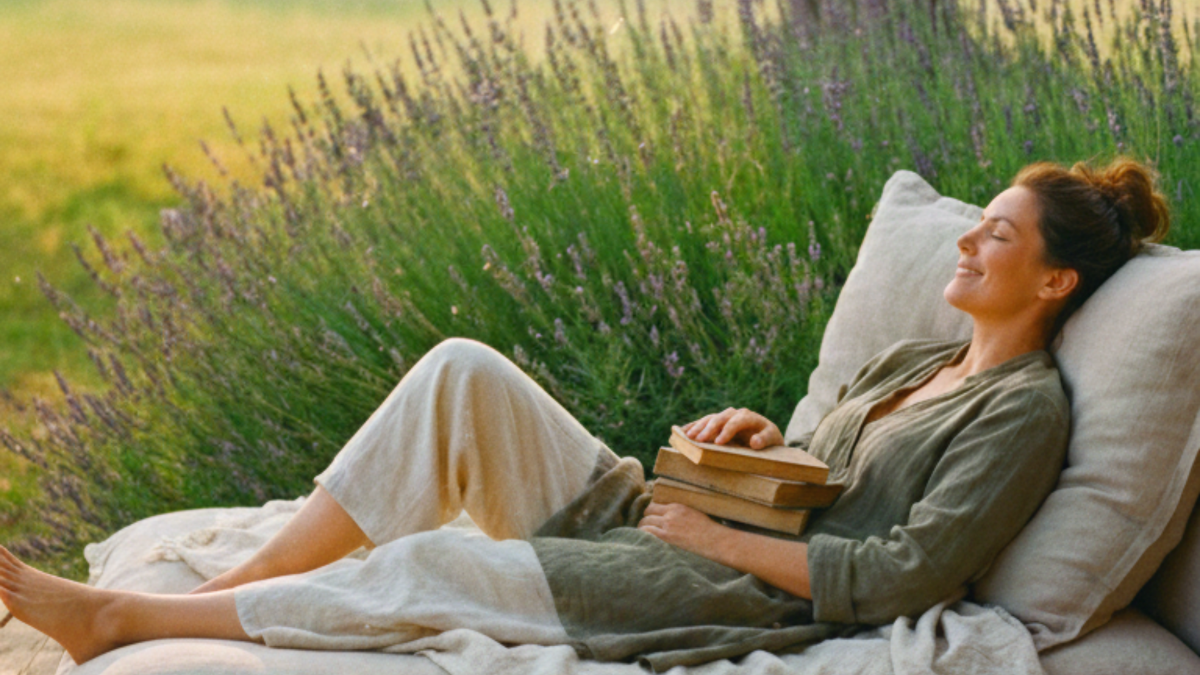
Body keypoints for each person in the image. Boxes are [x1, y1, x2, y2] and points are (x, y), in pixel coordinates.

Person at [0, 157, 1172, 667]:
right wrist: (763, 439)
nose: (968, 241)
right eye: (976, 227)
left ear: (1056, 281)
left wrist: (716, 539)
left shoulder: (1024, 416)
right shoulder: (922, 360)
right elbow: (831, 467)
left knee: (434, 572)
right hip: (674, 518)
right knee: (464, 368)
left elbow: (908, 570)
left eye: (997, 236)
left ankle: (119, 622)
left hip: (721, 587)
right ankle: (203, 602)